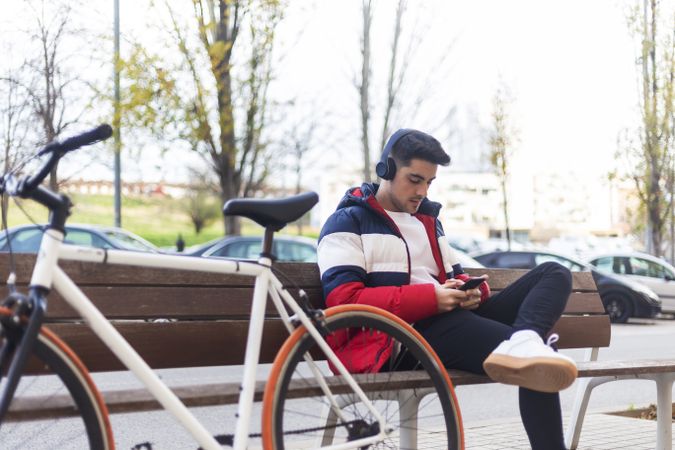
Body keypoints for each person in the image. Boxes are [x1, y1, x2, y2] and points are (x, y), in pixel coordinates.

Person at [317, 128, 577, 450]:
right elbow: (344, 302)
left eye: (429, 182)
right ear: (386, 169)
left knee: (554, 273)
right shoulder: (347, 222)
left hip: (446, 323)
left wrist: (469, 293)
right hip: (396, 342)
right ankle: (526, 346)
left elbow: (459, 277)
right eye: (414, 179)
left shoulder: (429, 222)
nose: (422, 191)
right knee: (539, 360)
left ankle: (525, 340)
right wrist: (432, 298)